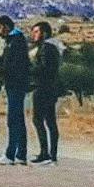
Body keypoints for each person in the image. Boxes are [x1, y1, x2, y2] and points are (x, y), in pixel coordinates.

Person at [31, 23, 65, 164]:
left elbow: (44, 68)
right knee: (50, 121)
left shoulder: (46, 48)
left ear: (44, 33)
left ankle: (45, 152)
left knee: (39, 120)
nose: (34, 35)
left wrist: (29, 69)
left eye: (36, 32)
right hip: (50, 88)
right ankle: (52, 154)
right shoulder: (53, 47)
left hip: (43, 87)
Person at [1, 18, 32, 164]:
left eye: (0, 27)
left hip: (15, 84)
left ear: (6, 27)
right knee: (17, 119)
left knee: (13, 119)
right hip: (15, 84)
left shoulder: (15, 42)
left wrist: (2, 71)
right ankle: (20, 154)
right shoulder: (15, 41)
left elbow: (14, 65)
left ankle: (11, 154)